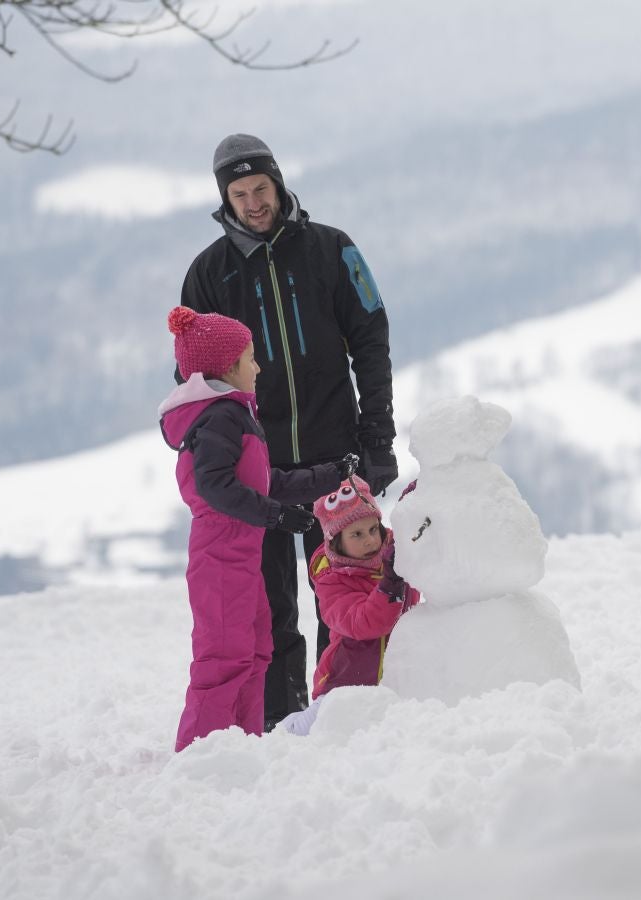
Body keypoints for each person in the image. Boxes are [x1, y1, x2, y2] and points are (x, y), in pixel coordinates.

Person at [180, 133, 400, 731]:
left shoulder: (333, 249)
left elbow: (372, 343)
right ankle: (281, 722)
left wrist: (377, 439)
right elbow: (196, 378)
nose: (254, 202)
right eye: (240, 193)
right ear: (224, 198)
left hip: (339, 458)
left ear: (278, 182)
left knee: (349, 592)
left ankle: (347, 712)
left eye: (261, 188)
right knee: (272, 608)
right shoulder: (208, 274)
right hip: (262, 472)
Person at [159, 306, 356, 751]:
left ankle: (241, 747)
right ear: (228, 368)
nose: (258, 366)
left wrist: (331, 475)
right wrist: (275, 516)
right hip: (219, 560)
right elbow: (215, 487)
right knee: (224, 660)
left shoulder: (235, 415)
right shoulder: (218, 419)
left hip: (242, 560)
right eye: (251, 357)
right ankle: (200, 757)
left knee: (256, 654)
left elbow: (269, 482)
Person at [277, 475, 420, 736]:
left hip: (392, 683)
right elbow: (364, 623)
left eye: (373, 529)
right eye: (356, 534)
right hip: (343, 684)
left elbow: (411, 536)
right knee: (308, 732)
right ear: (336, 540)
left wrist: (413, 504)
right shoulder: (332, 582)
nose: (369, 541)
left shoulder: (392, 557)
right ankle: (281, 736)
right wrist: (390, 584)